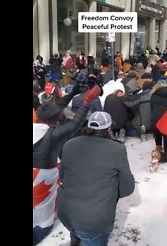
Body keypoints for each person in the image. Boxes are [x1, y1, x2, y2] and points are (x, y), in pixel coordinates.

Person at [33, 84, 101, 245]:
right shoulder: (52, 134)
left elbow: (62, 106)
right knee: (44, 223)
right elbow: (75, 124)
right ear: (52, 121)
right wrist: (87, 100)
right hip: (43, 177)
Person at [57, 111, 135, 246]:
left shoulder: (69, 144)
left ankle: (76, 237)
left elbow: (62, 176)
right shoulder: (116, 149)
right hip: (94, 220)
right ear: (109, 128)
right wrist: (109, 195)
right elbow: (127, 188)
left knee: (79, 233)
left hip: (66, 212)